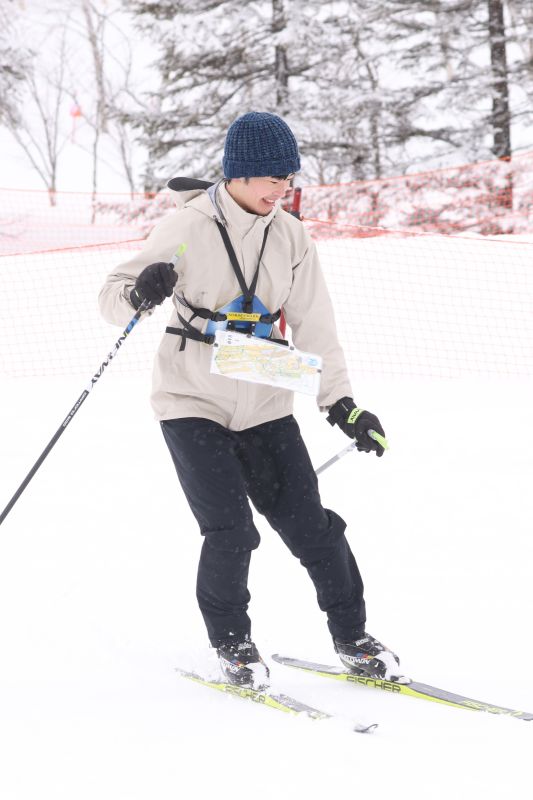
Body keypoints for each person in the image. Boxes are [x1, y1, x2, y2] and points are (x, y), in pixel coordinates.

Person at [99, 111, 400, 690]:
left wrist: (342, 404)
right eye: (271, 177)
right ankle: (233, 645)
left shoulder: (291, 236)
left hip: (266, 402)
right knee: (232, 531)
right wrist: (141, 291)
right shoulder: (186, 226)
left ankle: (353, 638)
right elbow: (111, 298)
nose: (282, 188)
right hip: (191, 401)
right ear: (237, 173)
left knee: (313, 529)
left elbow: (315, 324)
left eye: (288, 177)